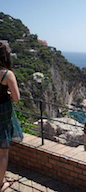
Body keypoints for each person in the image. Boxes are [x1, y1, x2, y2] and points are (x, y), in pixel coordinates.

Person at [0, 40, 23, 191]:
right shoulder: (7, 74)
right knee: (3, 153)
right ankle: (1, 184)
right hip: (3, 114)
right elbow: (16, 98)